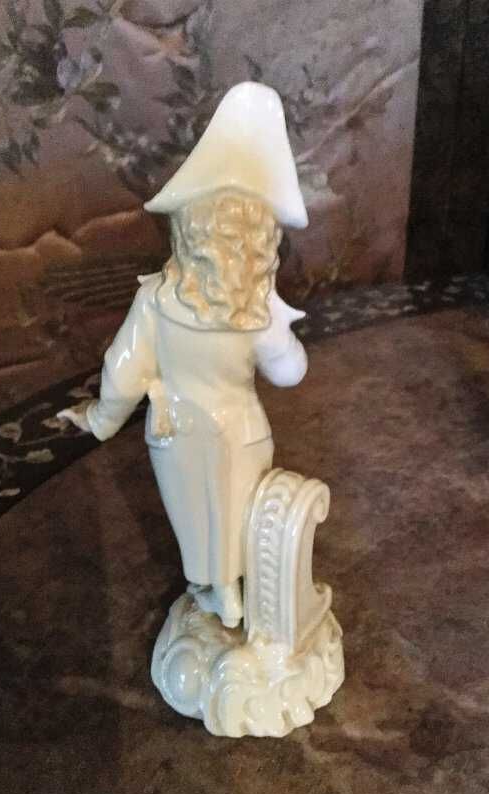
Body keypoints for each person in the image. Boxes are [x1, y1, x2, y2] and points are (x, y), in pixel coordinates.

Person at [59, 82, 309, 628]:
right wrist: (282, 329)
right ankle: (238, 588)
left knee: (197, 519)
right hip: (240, 430)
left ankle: (218, 589)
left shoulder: (155, 300)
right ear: (260, 240)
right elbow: (289, 372)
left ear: (186, 231)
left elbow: (123, 372)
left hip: (178, 432)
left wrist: (101, 419)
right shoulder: (255, 311)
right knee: (239, 512)